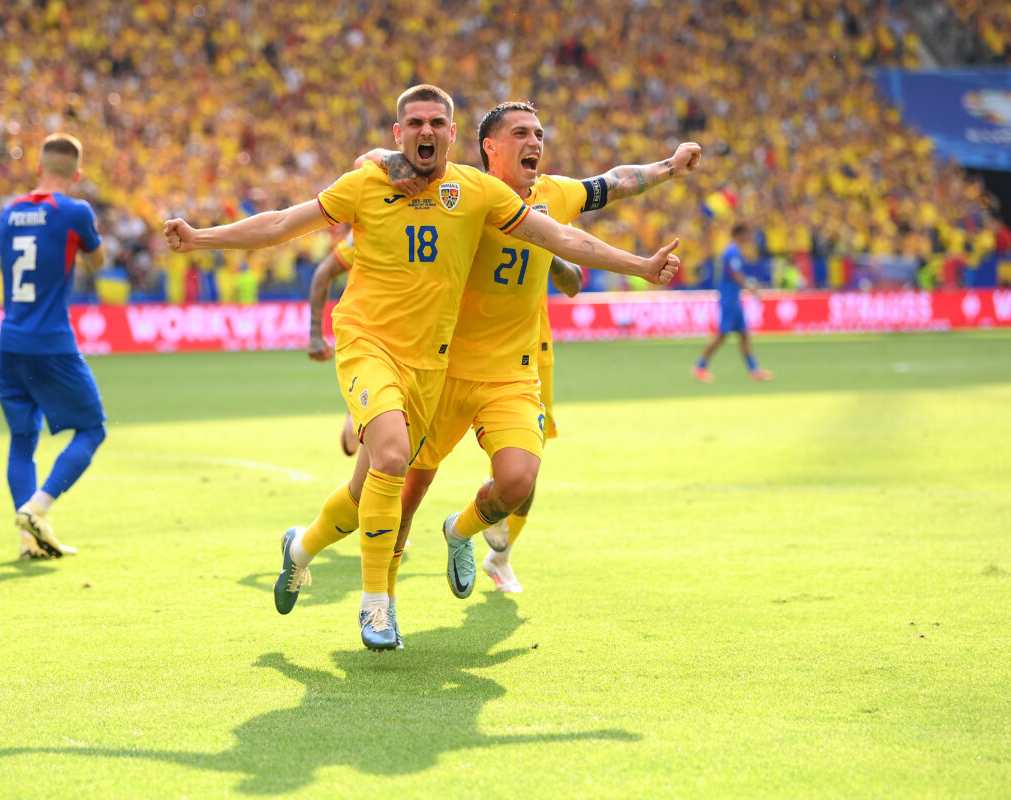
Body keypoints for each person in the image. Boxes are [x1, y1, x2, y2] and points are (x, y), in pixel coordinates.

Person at [164, 84, 680, 651]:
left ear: (454, 136)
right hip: (370, 343)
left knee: (377, 493)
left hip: (440, 364)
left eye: (437, 123)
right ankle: (376, 608)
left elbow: (561, 234)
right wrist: (201, 239)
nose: (426, 132)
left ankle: (302, 548)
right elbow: (286, 223)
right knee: (391, 466)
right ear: (399, 134)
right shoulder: (371, 180)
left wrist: (640, 263)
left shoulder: (479, 192)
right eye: (414, 124)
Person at [364, 102, 700, 603]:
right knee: (408, 496)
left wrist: (670, 167)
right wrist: (388, 159)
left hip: (514, 368)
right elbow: (376, 158)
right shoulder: (459, 191)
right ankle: (380, 602)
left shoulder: (554, 194)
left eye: (539, 133)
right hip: (444, 367)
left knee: (521, 478)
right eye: (521, 133)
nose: (535, 142)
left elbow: (614, 181)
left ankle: (463, 531)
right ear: (489, 148)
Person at [0, 133, 107, 559]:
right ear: (76, 175)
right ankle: (38, 510)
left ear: (38, 167)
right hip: (52, 342)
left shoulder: (7, 213)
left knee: (23, 438)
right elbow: (99, 261)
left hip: (11, 341)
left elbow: (1, 255)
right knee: (93, 429)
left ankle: (29, 541)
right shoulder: (75, 211)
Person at [692, 223, 773, 383]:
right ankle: (700, 367)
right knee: (721, 335)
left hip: (734, 299)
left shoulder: (732, 251)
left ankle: (754, 370)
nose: (749, 238)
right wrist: (751, 289)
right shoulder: (732, 252)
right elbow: (735, 275)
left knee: (744, 334)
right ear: (740, 234)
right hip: (729, 300)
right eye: (747, 234)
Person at [306, 227, 359, 457]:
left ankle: (358, 413)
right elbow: (325, 271)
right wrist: (316, 333)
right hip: (367, 334)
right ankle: (359, 413)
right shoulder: (368, 225)